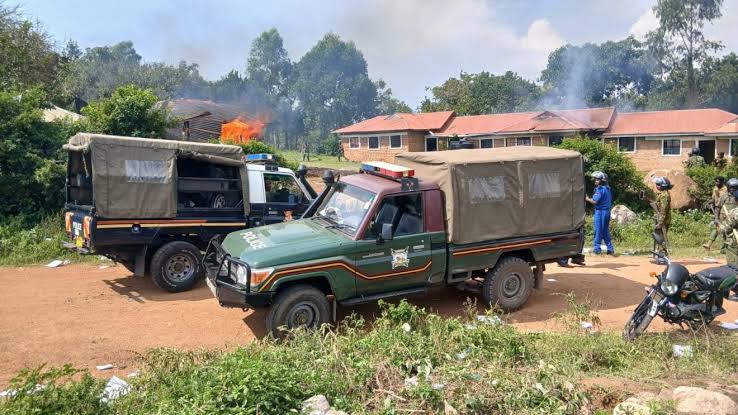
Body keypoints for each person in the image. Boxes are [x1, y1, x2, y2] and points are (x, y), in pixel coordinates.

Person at [585, 171, 614, 256]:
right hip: (607, 212)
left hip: (600, 212)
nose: (595, 181)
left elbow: (594, 201)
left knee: (598, 230)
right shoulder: (608, 188)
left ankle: (597, 249)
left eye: (597, 179)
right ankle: (610, 249)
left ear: (602, 180)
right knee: (605, 230)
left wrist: (587, 198)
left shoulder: (600, 189)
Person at [650, 176, 672, 263]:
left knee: (660, 238)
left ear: (663, 185)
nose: (657, 186)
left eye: (658, 184)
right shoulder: (662, 194)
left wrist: (660, 222)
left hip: (663, 220)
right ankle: (661, 256)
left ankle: (663, 257)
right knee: (658, 237)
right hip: (661, 219)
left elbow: (663, 209)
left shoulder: (664, 195)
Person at [704, 176, 728, 250]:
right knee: (716, 226)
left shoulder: (726, 190)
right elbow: (714, 199)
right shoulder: (715, 188)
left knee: (724, 228)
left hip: (724, 211)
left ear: (722, 182)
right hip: (717, 210)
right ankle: (709, 244)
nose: (716, 183)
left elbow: (722, 201)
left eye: (718, 182)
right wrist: (709, 202)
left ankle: (723, 247)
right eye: (716, 181)